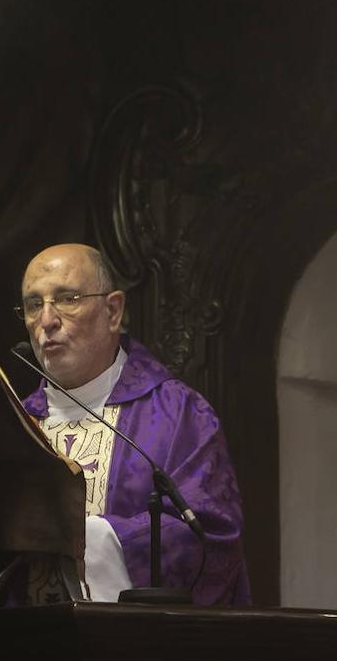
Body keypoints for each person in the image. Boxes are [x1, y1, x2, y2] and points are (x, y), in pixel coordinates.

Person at [17, 243, 250, 605]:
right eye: (34, 305)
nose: (46, 321)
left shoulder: (179, 415)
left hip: (133, 651)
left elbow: (213, 536)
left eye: (67, 298)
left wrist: (99, 539)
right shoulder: (14, 421)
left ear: (113, 311)